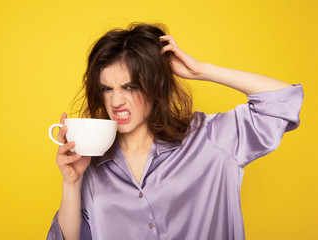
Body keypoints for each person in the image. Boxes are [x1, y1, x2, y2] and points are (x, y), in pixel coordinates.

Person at [47, 22, 303, 240]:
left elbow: (282, 101)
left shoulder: (209, 138)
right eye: (107, 89)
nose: (116, 101)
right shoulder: (91, 165)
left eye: (130, 86)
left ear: (155, 85)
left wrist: (202, 70)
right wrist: (71, 183)